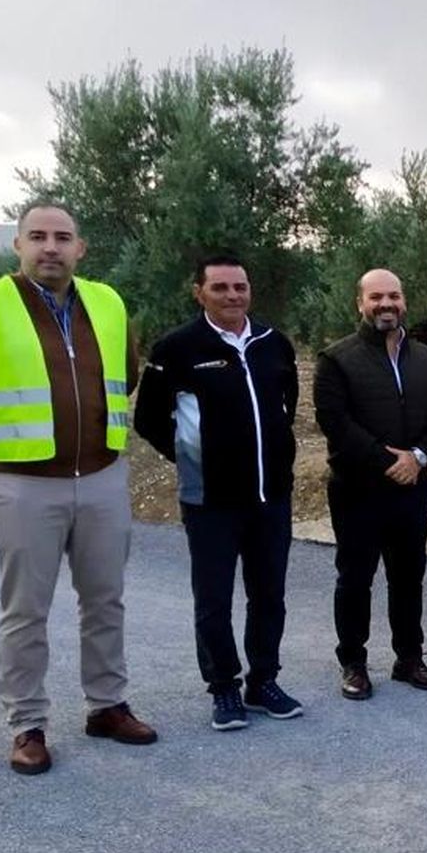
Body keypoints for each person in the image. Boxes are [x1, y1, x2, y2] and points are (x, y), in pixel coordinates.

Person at [0, 202, 157, 775]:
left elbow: (127, 375)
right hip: (19, 484)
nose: (50, 247)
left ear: (80, 248)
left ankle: (107, 705)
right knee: (25, 611)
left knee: (105, 599)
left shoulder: (108, 302)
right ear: (17, 246)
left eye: (62, 237)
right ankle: (27, 724)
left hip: (103, 478)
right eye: (37, 236)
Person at [135, 253, 303, 731]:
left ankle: (263, 681)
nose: (232, 296)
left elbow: (285, 408)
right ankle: (224, 688)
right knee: (213, 599)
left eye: (240, 287)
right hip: (209, 501)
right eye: (221, 287)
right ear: (199, 292)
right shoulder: (177, 348)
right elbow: (149, 419)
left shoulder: (274, 343)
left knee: (269, 594)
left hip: (272, 495)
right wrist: (193, 457)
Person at [314, 268, 427, 701]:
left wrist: (419, 458)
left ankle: (409, 658)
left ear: (404, 301)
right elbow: (334, 422)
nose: (385, 305)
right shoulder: (336, 359)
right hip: (357, 491)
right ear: (360, 303)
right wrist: (387, 460)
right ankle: (353, 663)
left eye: (393, 296)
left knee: (408, 578)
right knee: (355, 579)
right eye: (376, 297)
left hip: (413, 490)